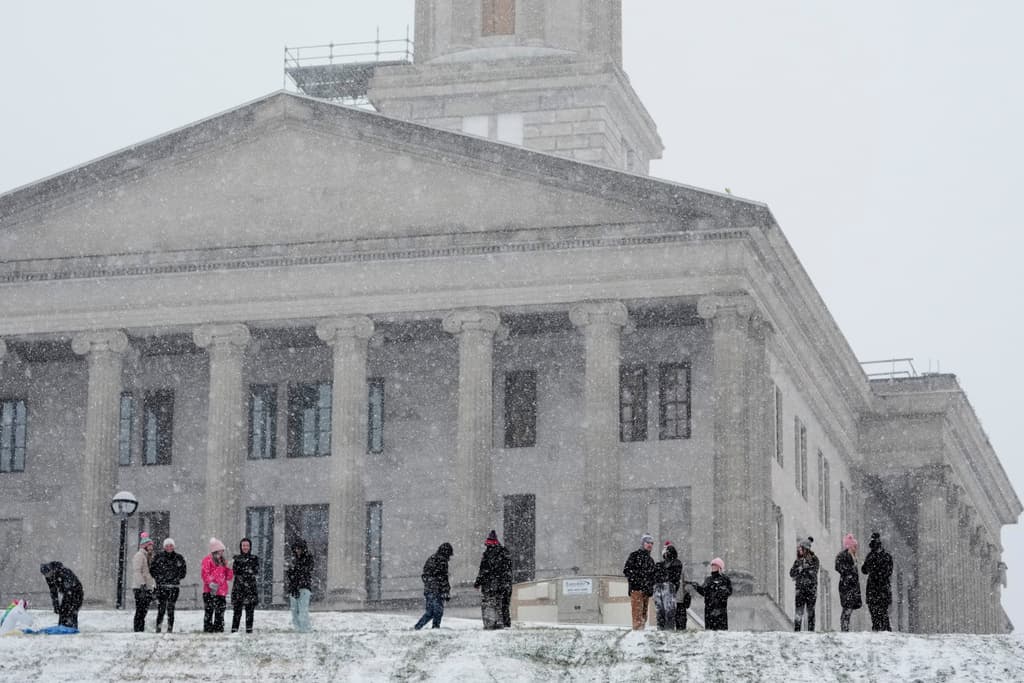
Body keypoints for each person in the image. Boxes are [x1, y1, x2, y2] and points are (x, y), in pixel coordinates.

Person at [473, 530, 513, 630]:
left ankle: (491, 623)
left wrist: (478, 583)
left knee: (490, 604)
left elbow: (483, 570)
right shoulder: (504, 552)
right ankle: (505, 623)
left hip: (491, 585)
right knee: (503, 604)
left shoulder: (487, 554)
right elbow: (509, 567)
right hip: (504, 584)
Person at [150, 537, 187, 633]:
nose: (169, 547)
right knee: (161, 608)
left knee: (171, 608)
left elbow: (183, 572)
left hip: (174, 587)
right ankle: (158, 627)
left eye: (171, 545)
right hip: (162, 587)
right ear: (164, 547)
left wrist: (175, 579)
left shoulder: (179, 558)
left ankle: (170, 628)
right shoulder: (158, 557)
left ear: (174, 546)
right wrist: (160, 579)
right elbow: (153, 570)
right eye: (167, 546)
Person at [414, 542, 453, 630]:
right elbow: (443, 578)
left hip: (429, 589)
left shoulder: (431, 559)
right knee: (438, 611)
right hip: (437, 590)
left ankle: (418, 627)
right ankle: (435, 628)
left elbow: (424, 575)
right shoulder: (442, 561)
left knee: (430, 612)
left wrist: (429, 584)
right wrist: (446, 591)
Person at [689, 557, 732, 630]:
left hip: (720, 609)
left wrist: (722, 591)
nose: (713, 567)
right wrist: (697, 587)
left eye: (715, 565)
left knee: (721, 632)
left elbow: (729, 591)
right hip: (709, 609)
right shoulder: (708, 579)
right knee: (710, 632)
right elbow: (704, 592)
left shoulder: (725, 579)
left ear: (720, 567)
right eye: (712, 565)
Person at [623, 533, 656, 630]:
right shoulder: (634, 555)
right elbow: (627, 570)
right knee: (637, 614)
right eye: (647, 542)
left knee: (644, 615)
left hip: (646, 591)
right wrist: (637, 580)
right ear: (643, 543)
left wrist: (650, 587)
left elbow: (652, 577)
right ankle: (637, 634)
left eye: (652, 543)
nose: (650, 545)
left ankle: (641, 632)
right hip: (636, 590)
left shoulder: (650, 560)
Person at [862, 531, 893, 631]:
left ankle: (883, 629)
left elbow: (888, 572)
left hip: (879, 588)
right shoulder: (874, 556)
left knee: (881, 612)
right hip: (876, 588)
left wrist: (876, 572)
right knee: (877, 612)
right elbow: (864, 570)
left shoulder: (883, 557)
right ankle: (880, 629)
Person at [201, 537, 234, 633]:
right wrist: (210, 582)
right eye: (219, 550)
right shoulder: (207, 560)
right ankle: (208, 628)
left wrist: (230, 569)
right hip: (209, 590)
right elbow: (204, 574)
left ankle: (218, 628)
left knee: (220, 612)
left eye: (222, 550)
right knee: (209, 611)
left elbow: (229, 577)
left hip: (221, 591)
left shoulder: (224, 561)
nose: (221, 552)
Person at [39, 561, 83, 629]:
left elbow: (69, 587)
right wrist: (55, 605)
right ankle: (62, 627)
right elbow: (53, 591)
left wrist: (67, 604)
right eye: (45, 575)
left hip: (76, 593)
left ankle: (73, 628)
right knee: (62, 612)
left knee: (71, 611)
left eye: (48, 574)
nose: (47, 576)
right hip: (66, 593)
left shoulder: (63, 572)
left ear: (51, 570)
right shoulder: (48, 577)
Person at [231, 537, 260, 634]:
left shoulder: (254, 558)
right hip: (239, 588)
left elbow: (255, 571)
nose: (245, 547)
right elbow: (235, 571)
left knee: (250, 611)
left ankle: (249, 629)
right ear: (241, 546)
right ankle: (234, 630)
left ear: (250, 547)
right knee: (237, 611)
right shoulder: (236, 559)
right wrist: (246, 573)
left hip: (250, 588)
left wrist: (246, 573)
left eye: (247, 545)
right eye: (243, 545)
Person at [790, 536, 819, 631]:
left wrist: (807, 568)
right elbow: (791, 573)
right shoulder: (798, 561)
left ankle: (811, 631)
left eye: (801, 548)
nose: (799, 550)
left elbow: (814, 573)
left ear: (806, 549)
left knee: (810, 611)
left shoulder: (814, 559)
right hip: (800, 589)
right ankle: (797, 630)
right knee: (799, 611)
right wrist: (799, 569)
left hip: (811, 589)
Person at [285, 538, 314, 633]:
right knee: (294, 613)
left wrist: (295, 570)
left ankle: (306, 630)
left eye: (299, 548)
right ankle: (298, 630)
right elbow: (290, 574)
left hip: (304, 588)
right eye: (296, 548)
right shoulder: (293, 559)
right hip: (293, 589)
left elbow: (306, 571)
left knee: (303, 611)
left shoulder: (308, 558)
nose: (297, 550)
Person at [652, 541, 683, 630]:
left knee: (669, 612)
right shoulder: (660, 564)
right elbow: (656, 576)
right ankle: (661, 631)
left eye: (668, 552)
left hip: (669, 590)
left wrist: (662, 573)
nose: (667, 554)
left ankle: (668, 631)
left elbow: (673, 577)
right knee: (660, 613)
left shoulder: (676, 563)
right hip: (659, 590)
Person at [834, 533, 862, 632]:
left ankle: (845, 626)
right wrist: (848, 573)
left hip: (852, 586)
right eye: (854, 546)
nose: (856, 548)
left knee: (848, 608)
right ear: (850, 546)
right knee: (847, 607)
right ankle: (844, 627)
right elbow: (838, 567)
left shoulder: (853, 557)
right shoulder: (843, 555)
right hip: (846, 586)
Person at [131, 532, 156, 632]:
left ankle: (140, 628)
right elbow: (137, 571)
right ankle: (138, 629)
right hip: (140, 587)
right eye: (150, 545)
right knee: (140, 610)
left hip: (146, 587)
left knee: (143, 610)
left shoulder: (148, 556)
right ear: (145, 546)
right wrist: (142, 584)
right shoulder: (139, 556)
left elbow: (148, 573)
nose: (151, 547)